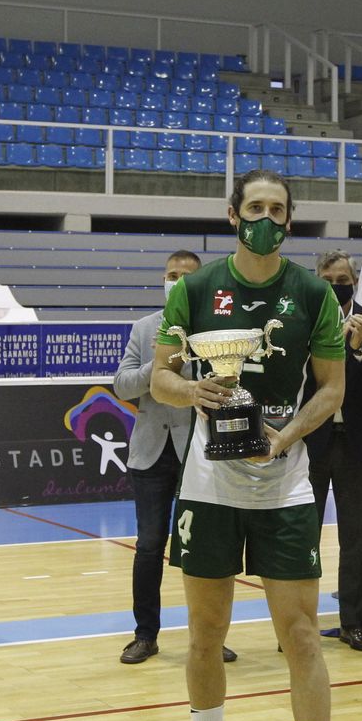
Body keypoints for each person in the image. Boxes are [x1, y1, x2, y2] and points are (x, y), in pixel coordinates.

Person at [150, 169, 346, 721]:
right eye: (255, 207)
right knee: (206, 632)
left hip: (285, 482)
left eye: (278, 209)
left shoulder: (312, 293)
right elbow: (160, 377)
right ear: (233, 214)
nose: (266, 217)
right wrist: (193, 389)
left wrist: (286, 436)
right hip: (208, 482)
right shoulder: (194, 290)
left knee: (301, 635)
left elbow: (332, 387)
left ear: (290, 220)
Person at [111, 250, 235, 665]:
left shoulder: (216, 331)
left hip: (200, 452)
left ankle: (210, 637)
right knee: (149, 545)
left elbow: (228, 385)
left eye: (185, 276)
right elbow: (122, 386)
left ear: (199, 285)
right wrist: (160, 366)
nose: (175, 280)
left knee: (204, 549)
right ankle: (145, 635)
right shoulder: (144, 328)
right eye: (170, 274)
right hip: (149, 456)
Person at [303, 249, 362, 653]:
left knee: (355, 538)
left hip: (357, 444)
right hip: (310, 442)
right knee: (300, 537)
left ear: (354, 282)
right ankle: (299, 625)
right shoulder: (303, 322)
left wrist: (360, 348)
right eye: (326, 278)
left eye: (342, 278)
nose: (335, 285)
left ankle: (352, 623)